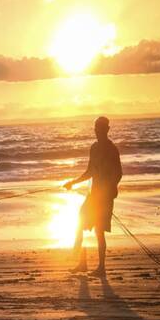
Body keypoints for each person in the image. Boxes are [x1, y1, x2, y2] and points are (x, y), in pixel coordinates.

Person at [64, 116, 122, 277]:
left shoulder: (112, 150)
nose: (97, 132)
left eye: (100, 129)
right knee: (80, 222)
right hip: (93, 195)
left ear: (107, 130)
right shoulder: (94, 148)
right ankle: (82, 263)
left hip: (105, 196)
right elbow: (89, 171)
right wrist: (73, 183)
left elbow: (118, 173)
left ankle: (101, 268)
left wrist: (111, 188)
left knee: (99, 231)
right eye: (96, 129)